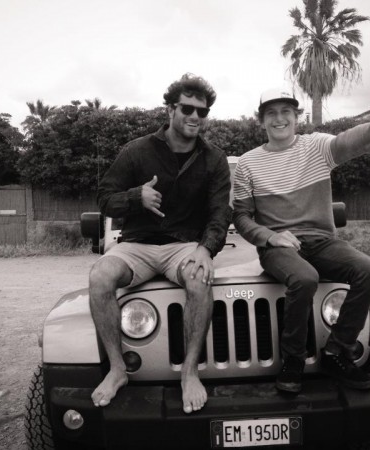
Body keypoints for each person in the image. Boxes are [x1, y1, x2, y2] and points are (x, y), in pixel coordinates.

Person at [232, 88, 370, 393]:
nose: (279, 118)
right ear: (261, 121)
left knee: (369, 270)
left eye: (286, 111)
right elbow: (242, 217)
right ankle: (293, 360)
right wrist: (270, 237)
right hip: (279, 247)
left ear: (296, 117)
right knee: (304, 277)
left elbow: (347, 142)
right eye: (271, 113)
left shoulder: (317, 146)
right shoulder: (248, 163)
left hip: (323, 242)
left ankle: (337, 351)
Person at [89, 73, 231, 414]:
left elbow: (220, 213)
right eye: (187, 108)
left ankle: (189, 372)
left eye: (202, 111)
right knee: (99, 277)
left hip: (183, 245)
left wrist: (205, 249)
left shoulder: (214, 159)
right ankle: (118, 370)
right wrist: (136, 197)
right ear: (170, 110)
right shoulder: (137, 151)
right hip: (136, 245)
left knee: (199, 278)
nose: (195, 116)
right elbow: (105, 199)